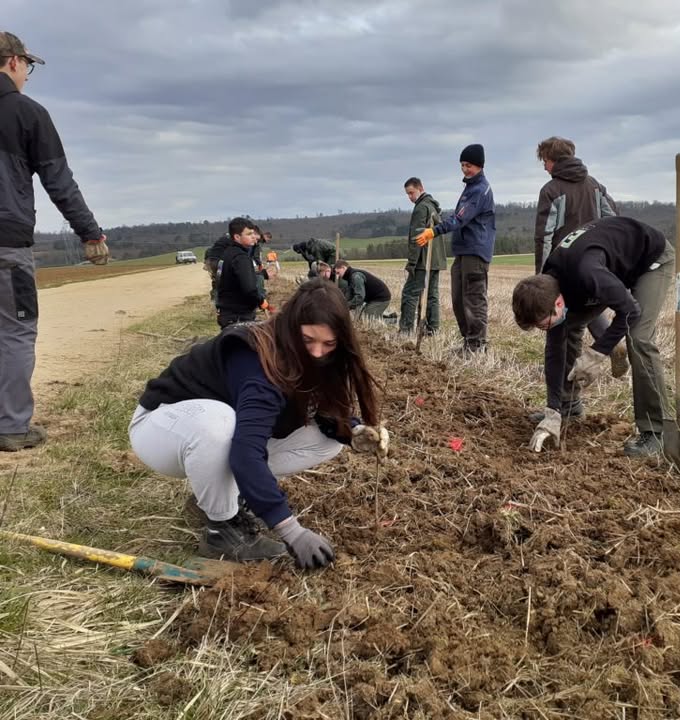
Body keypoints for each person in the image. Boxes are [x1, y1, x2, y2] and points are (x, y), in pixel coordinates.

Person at [128, 279, 389, 567]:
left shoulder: (305, 356)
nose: (317, 352)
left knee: (328, 441)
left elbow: (315, 405)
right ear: (292, 328)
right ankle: (221, 531)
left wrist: (353, 430)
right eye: (308, 340)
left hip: (206, 433)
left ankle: (222, 498)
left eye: (328, 343)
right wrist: (290, 530)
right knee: (219, 423)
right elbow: (246, 450)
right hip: (162, 427)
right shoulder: (257, 359)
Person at [0, 31, 109, 452]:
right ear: (14, 62)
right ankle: (10, 425)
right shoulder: (28, 113)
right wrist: (91, 233)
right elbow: (59, 182)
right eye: (28, 66)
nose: (27, 74)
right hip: (6, 242)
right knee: (14, 331)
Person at [512, 216, 675, 457]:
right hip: (607, 267)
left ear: (558, 302)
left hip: (650, 260)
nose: (544, 329)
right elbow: (554, 350)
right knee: (565, 330)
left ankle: (656, 432)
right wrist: (552, 410)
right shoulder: (548, 282)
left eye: (543, 324)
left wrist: (596, 353)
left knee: (638, 338)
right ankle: (568, 408)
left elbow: (630, 311)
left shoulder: (587, 273)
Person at [533, 137, 628, 402]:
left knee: (564, 335)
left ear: (553, 160)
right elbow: (614, 221)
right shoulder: (595, 185)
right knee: (586, 310)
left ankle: (567, 404)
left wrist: (542, 279)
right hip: (596, 265)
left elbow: (545, 236)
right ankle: (611, 343)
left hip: (564, 268)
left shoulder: (551, 190)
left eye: (545, 161)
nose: (544, 167)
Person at [413, 144, 495, 354]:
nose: (465, 169)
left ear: (479, 165)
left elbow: (460, 218)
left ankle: (477, 346)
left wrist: (434, 231)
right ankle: (468, 342)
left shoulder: (479, 190)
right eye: (462, 165)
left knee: (473, 300)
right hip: (463, 251)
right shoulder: (470, 187)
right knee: (458, 301)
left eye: (468, 165)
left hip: (475, 252)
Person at [399, 178, 444, 335]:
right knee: (432, 295)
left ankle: (406, 330)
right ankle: (432, 330)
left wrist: (412, 262)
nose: (410, 197)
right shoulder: (433, 207)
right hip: (436, 260)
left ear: (420, 188)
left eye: (411, 193)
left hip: (422, 260)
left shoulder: (421, 208)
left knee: (409, 294)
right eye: (407, 194)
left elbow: (417, 238)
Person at [215, 217, 275, 329]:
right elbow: (249, 289)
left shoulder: (228, 253)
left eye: (253, 233)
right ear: (237, 237)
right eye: (248, 234)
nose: (254, 237)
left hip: (227, 312)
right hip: (238, 316)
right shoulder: (241, 258)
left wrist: (263, 274)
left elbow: (238, 279)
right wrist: (261, 300)